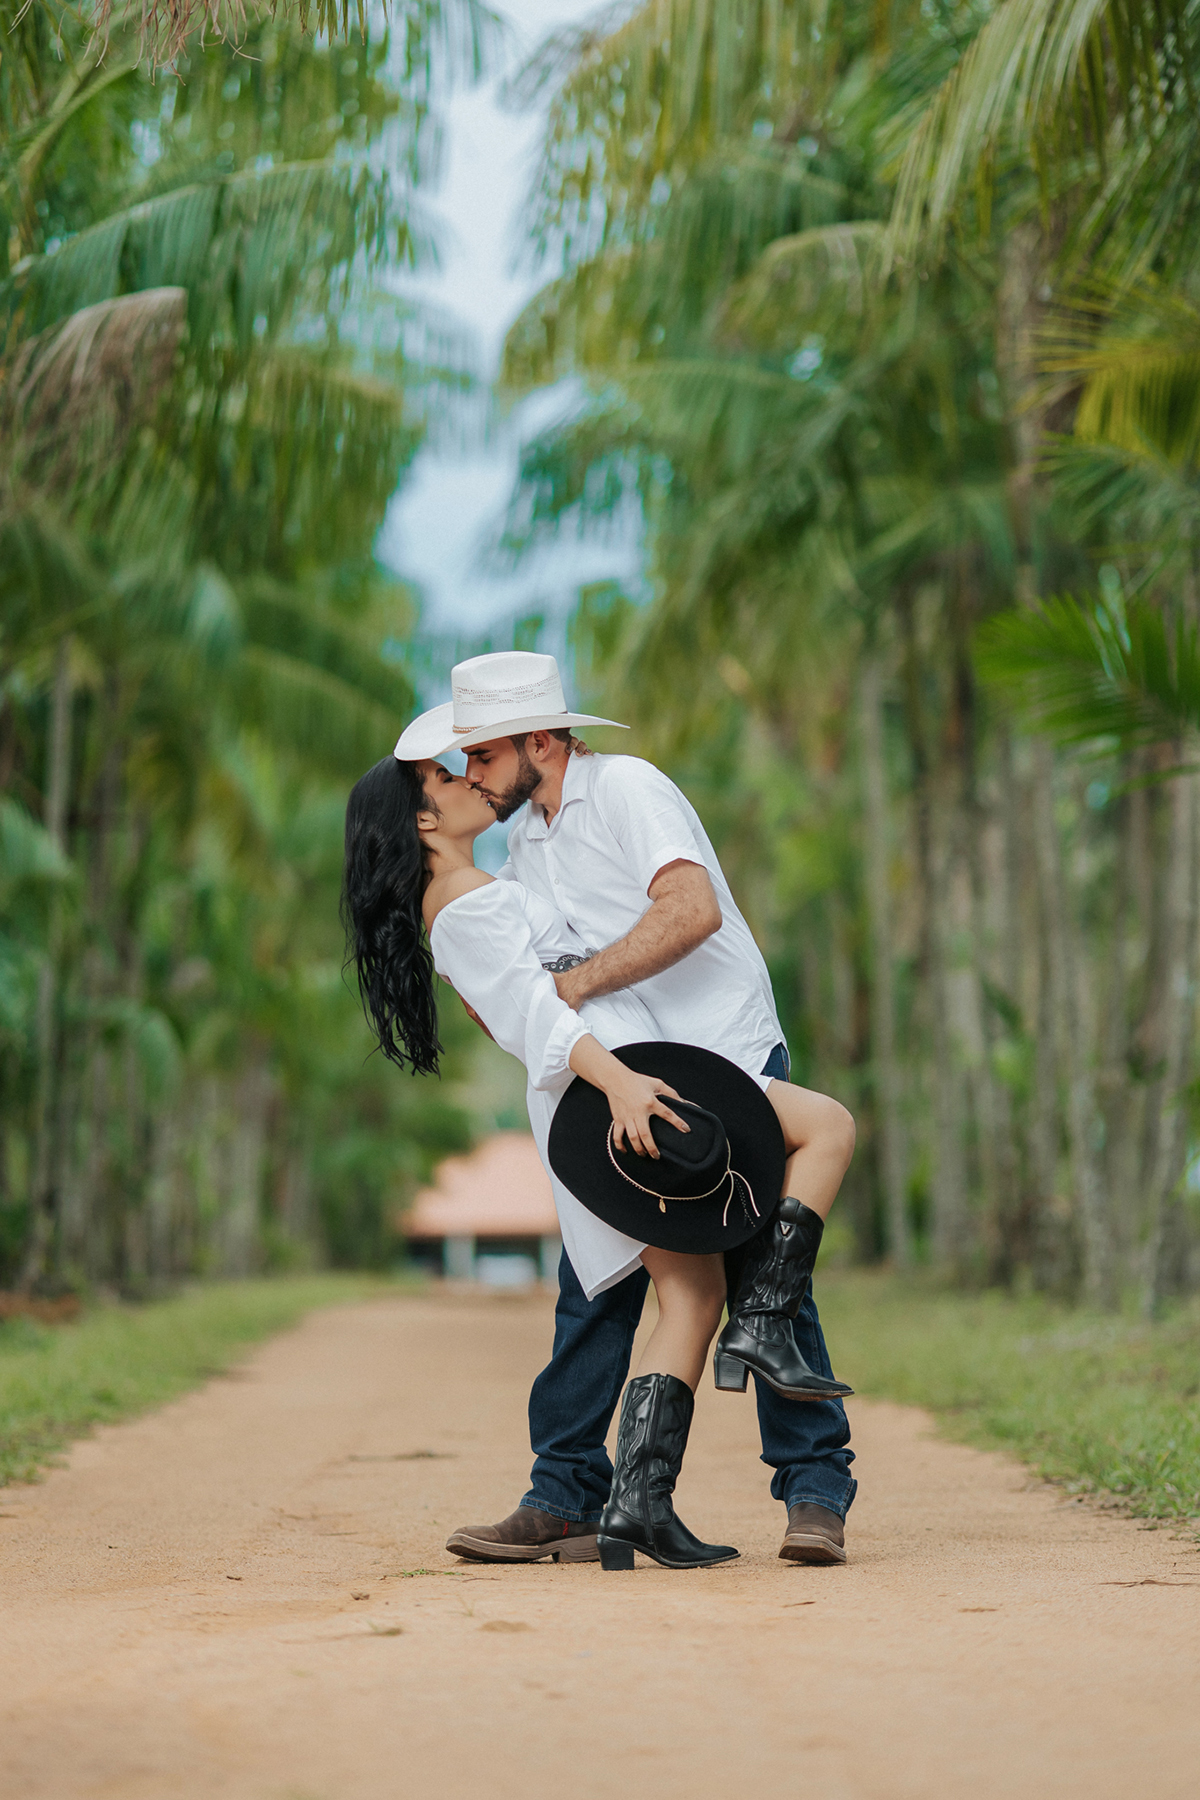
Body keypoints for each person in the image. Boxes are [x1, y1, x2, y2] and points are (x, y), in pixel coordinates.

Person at [343, 751, 804, 1568]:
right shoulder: (460, 902)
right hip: (619, 1091)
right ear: (423, 821)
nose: (468, 780)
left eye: (476, 761)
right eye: (451, 778)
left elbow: (534, 991)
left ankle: (631, 1505)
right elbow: (535, 1018)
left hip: (621, 1085)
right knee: (820, 1133)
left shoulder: (495, 876)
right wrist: (624, 1085)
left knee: (692, 1294)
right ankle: (755, 1339)